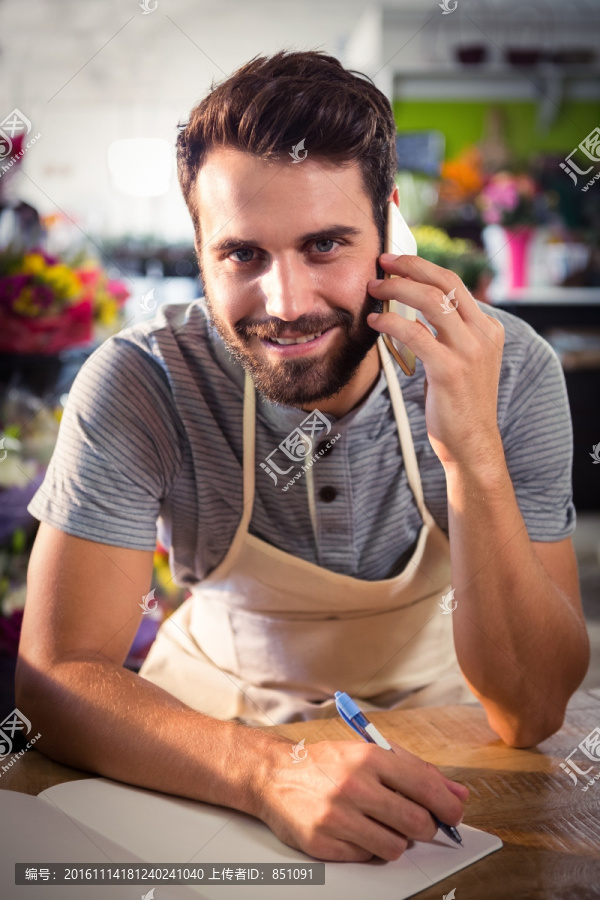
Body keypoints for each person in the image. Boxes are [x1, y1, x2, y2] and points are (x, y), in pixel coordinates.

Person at [17, 50, 589, 863]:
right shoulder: (142, 380)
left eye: (325, 245)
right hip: (205, 739)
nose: (285, 305)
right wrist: (263, 772)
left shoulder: (509, 367)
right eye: (243, 255)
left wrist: (474, 455)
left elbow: (529, 713)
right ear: (200, 248)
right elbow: (56, 681)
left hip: (450, 740)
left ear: (389, 225)